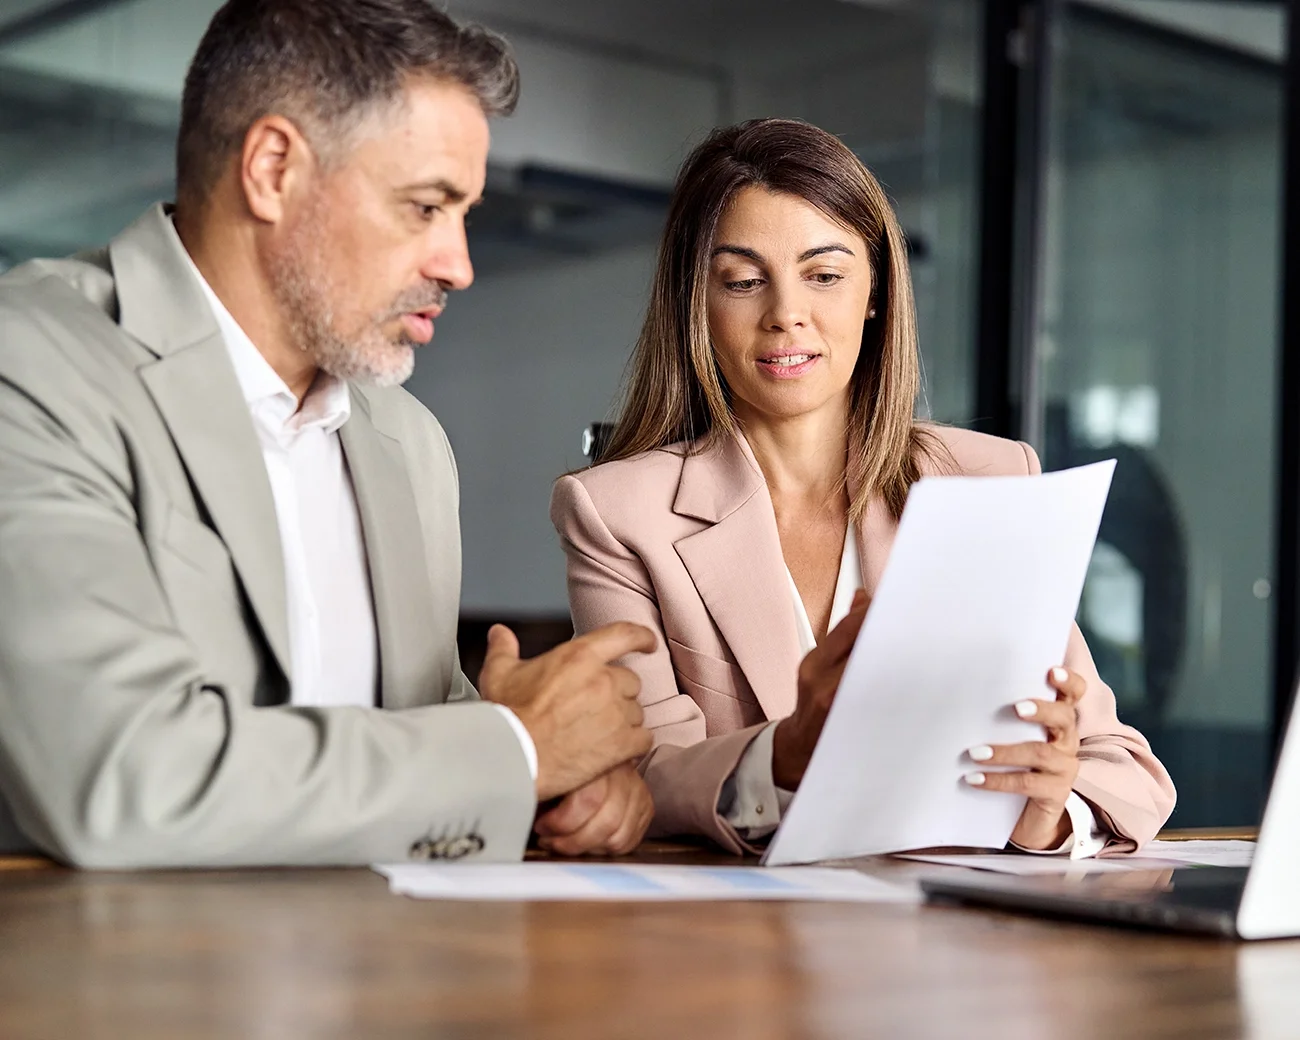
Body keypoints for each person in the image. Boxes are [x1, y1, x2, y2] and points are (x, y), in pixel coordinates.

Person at [0, 0, 657, 868]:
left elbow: (426, 746)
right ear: (273, 169)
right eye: (425, 207)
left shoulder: (410, 444)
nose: (458, 264)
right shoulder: (31, 366)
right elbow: (125, 777)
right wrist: (517, 752)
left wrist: (557, 787)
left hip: (382, 976)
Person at [550, 118, 1176, 856]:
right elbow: (639, 773)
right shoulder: (618, 514)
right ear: (698, 303)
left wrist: (1048, 809)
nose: (787, 314)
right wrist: (778, 757)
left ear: (874, 292)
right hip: (735, 948)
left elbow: (1127, 771)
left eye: (825, 274)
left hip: (954, 940)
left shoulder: (987, 481)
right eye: (744, 281)